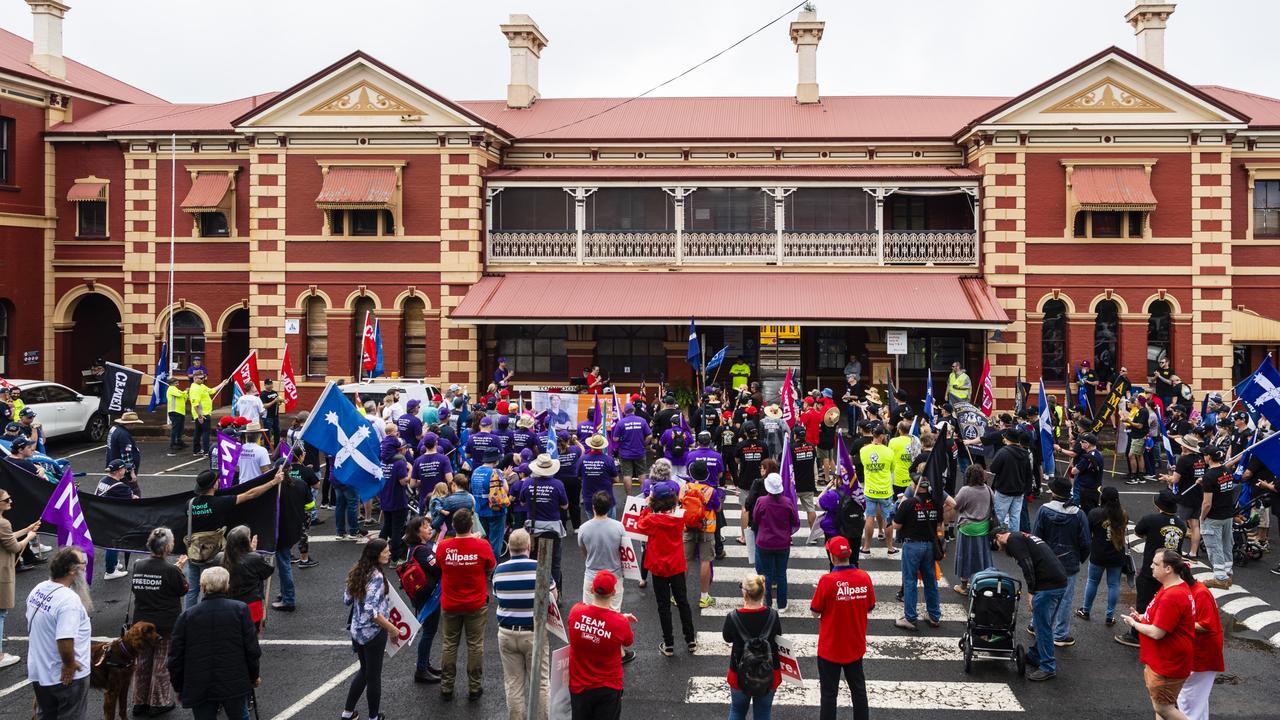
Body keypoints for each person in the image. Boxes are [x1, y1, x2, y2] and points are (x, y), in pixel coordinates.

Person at [167, 566, 260, 720]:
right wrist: (253, 676)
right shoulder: (240, 610)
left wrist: (178, 686)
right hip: (234, 681)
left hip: (199, 684)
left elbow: (175, 657)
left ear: (202, 587)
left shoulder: (187, 616)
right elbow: (252, 649)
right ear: (226, 586)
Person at [184, 467, 284, 609]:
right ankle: (207, 616)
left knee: (193, 590)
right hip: (213, 554)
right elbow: (250, 494)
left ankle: (190, 616)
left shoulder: (189, 504)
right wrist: (273, 482)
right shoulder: (219, 503)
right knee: (211, 588)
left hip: (193, 552)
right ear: (214, 485)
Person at [1122, 549, 1196, 720]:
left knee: (1164, 708)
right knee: (1161, 707)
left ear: (1168, 569)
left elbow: (1157, 633)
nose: (1151, 566)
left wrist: (1135, 624)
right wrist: (1143, 617)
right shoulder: (1174, 587)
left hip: (1168, 662)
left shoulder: (1173, 595)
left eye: (1156, 564)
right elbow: (1163, 620)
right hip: (1165, 660)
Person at [493, 529, 554, 720]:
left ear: (509, 547)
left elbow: (498, 597)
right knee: (541, 683)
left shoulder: (499, 571)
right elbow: (552, 598)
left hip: (507, 633)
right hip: (533, 633)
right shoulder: (539, 568)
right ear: (529, 546)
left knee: (513, 684)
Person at [993, 527, 1068, 681]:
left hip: (1047, 586)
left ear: (999, 536)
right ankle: (1035, 654)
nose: (998, 548)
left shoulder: (1012, 541)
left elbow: (1027, 565)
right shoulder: (1021, 536)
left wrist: (1031, 592)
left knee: (1042, 627)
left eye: (995, 543)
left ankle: (1048, 666)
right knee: (1045, 623)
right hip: (1059, 581)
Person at [811, 537, 873, 720]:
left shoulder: (827, 581)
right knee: (859, 691)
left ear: (833, 557)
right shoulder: (864, 577)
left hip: (830, 647)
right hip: (855, 644)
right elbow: (870, 606)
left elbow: (815, 612)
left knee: (829, 695)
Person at [26, 547, 92, 719]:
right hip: (65, 678)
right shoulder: (69, 600)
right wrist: (69, 665)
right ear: (72, 570)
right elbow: (64, 639)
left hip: (40, 672)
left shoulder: (38, 589)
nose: (85, 567)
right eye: (83, 563)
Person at [437, 508, 496, 701]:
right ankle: (474, 687)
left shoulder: (444, 547)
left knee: (449, 644)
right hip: (475, 603)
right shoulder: (482, 545)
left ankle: (446, 686)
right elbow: (491, 566)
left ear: (453, 526)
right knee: (475, 645)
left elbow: (438, 565)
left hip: (450, 603)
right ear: (471, 525)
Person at [129, 528, 187, 716]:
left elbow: (136, 587)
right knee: (161, 663)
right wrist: (178, 569)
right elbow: (183, 589)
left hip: (141, 623)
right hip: (164, 625)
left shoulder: (138, 565)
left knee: (142, 662)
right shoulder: (170, 570)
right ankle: (159, 702)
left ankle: (139, 702)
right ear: (168, 547)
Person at [341, 539, 399, 720]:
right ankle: (373, 717)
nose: (389, 553)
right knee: (374, 676)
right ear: (377, 554)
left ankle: (348, 713)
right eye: (386, 551)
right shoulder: (377, 577)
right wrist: (392, 629)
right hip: (373, 633)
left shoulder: (358, 570)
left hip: (357, 631)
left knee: (364, 670)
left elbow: (347, 599)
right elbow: (372, 611)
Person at [565, 570, 635, 720]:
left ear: (591, 590)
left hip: (579, 687)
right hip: (608, 688)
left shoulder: (575, 612)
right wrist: (620, 619)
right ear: (613, 593)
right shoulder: (620, 623)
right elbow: (627, 641)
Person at [636, 484, 696, 656]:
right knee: (682, 602)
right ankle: (690, 639)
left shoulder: (651, 520)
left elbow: (640, 525)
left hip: (658, 567)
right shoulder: (679, 517)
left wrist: (647, 507)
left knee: (663, 606)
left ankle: (668, 644)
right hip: (676, 564)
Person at [1032, 477, 1090, 647]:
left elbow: (1036, 537)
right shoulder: (1078, 514)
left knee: (1042, 595)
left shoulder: (1044, 510)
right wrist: (1079, 557)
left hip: (1047, 560)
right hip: (1069, 561)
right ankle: (1060, 634)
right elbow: (1085, 542)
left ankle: (1036, 625)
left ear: (1054, 493)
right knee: (1065, 599)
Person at [722, 574, 782, 720]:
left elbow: (727, 638)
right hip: (768, 673)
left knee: (737, 711)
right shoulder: (773, 616)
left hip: (739, 673)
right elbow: (778, 636)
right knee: (763, 714)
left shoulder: (733, 617)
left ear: (745, 593)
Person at [577, 492, 628, 640]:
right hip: (614, 576)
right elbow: (624, 551)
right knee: (614, 614)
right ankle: (613, 648)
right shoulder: (619, 527)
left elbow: (583, 550)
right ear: (609, 507)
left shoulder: (584, 528)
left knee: (589, 615)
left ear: (593, 508)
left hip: (592, 575)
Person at [892, 479, 942, 631]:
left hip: (912, 545)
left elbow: (896, 525)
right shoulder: (936, 502)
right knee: (931, 580)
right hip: (929, 546)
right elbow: (940, 524)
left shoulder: (908, 503)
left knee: (909, 581)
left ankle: (910, 618)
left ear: (915, 486)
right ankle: (934, 616)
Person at [0, 488, 40, 669]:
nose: (10, 502)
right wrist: (29, 537)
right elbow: (15, 547)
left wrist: (26, 530)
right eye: (7, 499)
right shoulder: (3, 523)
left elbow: (6, 538)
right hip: (1, 572)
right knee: (0, 613)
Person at [1077, 486, 1128, 625]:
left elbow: (1088, 532)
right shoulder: (1123, 514)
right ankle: (1110, 616)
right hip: (1117, 554)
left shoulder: (1095, 513)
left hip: (1098, 553)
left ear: (1103, 498)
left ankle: (1086, 610)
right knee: (1113, 585)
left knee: (1092, 581)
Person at [1177, 566, 1223, 720]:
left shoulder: (1200, 593)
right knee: (1196, 700)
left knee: (1189, 699)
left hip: (1202, 654)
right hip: (1195, 651)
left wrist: (1176, 623)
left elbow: (1205, 625)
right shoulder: (1190, 590)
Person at [402, 516, 443, 684]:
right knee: (428, 632)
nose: (430, 529)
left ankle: (425, 664)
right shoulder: (423, 550)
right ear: (418, 532)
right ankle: (421, 669)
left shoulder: (414, 547)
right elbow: (438, 569)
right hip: (427, 596)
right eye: (426, 527)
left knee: (428, 631)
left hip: (420, 594)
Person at [752, 473, 798, 610]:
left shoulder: (761, 501)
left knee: (765, 574)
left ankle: (767, 604)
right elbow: (795, 521)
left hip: (764, 542)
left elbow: (755, 519)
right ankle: (782, 605)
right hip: (783, 543)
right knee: (781, 573)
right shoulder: (788, 502)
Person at [216, 525, 274, 631]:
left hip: (229, 604)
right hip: (252, 604)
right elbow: (267, 572)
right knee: (252, 636)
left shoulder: (220, 558)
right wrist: (253, 552)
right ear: (246, 541)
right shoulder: (254, 558)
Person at [682, 460, 722, 608]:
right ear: (706, 474)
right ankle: (704, 597)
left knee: (685, 560)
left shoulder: (684, 488)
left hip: (688, 527)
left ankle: (678, 594)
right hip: (706, 529)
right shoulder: (710, 491)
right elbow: (717, 509)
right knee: (705, 561)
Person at [952, 465, 995, 595]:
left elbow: (956, 505)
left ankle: (964, 586)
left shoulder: (965, 490)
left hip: (967, 528)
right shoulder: (988, 490)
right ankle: (982, 582)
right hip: (984, 527)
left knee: (965, 556)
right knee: (982, 556)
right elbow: (994, 506)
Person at [1197, 445, 1235, 589]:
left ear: (1209, 457)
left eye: (1204, 455)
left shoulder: (1209, 476)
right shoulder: (1226, 470)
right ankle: (1227, 574)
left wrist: (1202, 517)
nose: (1203, 458)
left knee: (1214, 547)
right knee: (1226, 545)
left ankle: (1220, 578)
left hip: (1214, 517)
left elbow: (1207, 503)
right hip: (1227, 515)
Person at [96, 458, 139, 580]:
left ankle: (113, 563)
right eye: (124, 468)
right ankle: (110, 571)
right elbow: (131, 501)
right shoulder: (120, 487)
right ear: (119, 471)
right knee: (113, 543)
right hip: (111, 518)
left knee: (111, 542)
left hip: (100, 515)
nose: (126, 470)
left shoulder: (103, 480)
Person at [858, 425, 896, 555]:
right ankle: (890, 548)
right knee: (887, 519)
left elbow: (864, 464)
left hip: (870, 490)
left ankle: (866, 547)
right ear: (882, 436)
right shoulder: (889, 451)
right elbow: (892, 469)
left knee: (869, 517)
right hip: (885, 490)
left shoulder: (864, 450)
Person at [990, 428, 1032, 531]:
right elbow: (1028, 474)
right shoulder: (1025, 453)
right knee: (1015, 518)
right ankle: (1014, 540)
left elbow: (993, 469)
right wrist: (1027, 490)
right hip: (1019, 491)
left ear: (1008, 438)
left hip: (1004, 490)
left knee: (999, 517)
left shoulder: (1003, 452)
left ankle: (996, 539)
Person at [611, 404, 651, 496]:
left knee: (627, 475)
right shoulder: (642, 421)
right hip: (640, 452)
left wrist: (623, 438)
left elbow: (615, 439)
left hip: (625, 453)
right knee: (642, 474)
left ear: (624, 412)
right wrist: (644, 443)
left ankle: (629, 497)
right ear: (634, 410)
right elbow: (649, 435)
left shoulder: (621, 423)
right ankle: (644, 496)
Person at [165, 376, 189, 456]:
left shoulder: (176, 389)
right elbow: (180, 395)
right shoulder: (171, 389)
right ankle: (173, 444)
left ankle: (179, 442)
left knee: (180, 428)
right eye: (176, 383)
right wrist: (185, 391)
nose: (178, 384)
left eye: (178, 383)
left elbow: (184, 398)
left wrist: (185, 393)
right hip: (174, 411)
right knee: (175, 428)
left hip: (180, 411)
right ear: (172, 384)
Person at [259, 378, 282, 446]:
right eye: (269, 384)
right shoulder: (263, 394)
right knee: (267, 433)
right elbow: (264, 406)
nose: (271, 385)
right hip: (267, 417)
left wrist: (280, 402)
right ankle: (267, 447)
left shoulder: (275, 392)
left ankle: (277, 446)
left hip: (275, 416)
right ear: (265, 385)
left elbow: (277, 402)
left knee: (277, 432)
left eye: (271, 384)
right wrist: (274, 401)